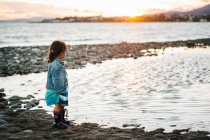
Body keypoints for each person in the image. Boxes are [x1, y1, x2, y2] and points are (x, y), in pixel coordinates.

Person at [45, 40, 70, 129]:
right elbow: (55, 78)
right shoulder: (55, 64)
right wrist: (58, 90)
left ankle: (61, 119)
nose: (65, 54)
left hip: (62, 88)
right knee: (58, 105)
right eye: (64, 52)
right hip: (57, 89)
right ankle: (56, 122)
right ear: (60, 53)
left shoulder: (58, 62)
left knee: (62, 104)